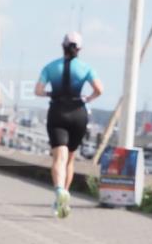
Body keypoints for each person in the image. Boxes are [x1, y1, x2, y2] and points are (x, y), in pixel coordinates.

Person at [35, 32, 103, 218]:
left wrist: (51, 94)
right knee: (70, 159)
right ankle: (66, 193)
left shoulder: (50, 67)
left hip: (57, 111)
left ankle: (59, 192)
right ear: (79, 49)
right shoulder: (85, 68)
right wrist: (87, 98)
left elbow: (38, 91)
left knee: (59, 158)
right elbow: (99, 89)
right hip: (78, 112)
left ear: (62, 46)